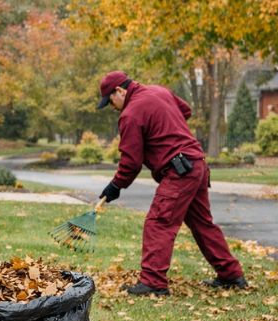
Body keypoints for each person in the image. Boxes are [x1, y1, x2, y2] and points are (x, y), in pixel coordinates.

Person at [97, 70, 247, 296]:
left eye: (110, 101)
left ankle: (153, 283)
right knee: (202, 223)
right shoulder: (159, 91)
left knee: (159, 221)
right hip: (196, 164)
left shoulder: (131, 114)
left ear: (120, 91)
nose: (112, 107)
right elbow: (186, 110)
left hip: (180, 171)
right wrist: (165, 127)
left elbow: (131, 161)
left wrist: (116, 185)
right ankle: (231, 275)